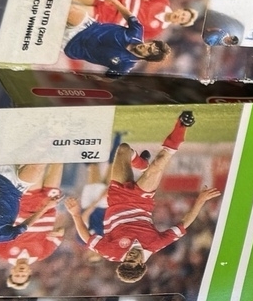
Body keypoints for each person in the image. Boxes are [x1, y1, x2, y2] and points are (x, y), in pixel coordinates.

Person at [62, 111, 220, 283]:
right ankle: (182, 124)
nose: (129, 256)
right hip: (141, 200)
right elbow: (183, 224)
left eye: (126, 260)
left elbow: (85, 237)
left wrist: (75, 214)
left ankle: (140, 163)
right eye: (133, 260)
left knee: (123, 149)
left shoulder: (110, 252)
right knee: (159, 162)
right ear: (142, 264)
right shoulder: (155, 244)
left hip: (116, 198)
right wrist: (200, 200)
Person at [0, 163, 66, 287]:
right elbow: (61, 232)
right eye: (23, 276)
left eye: (17, 275)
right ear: (30, 272)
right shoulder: (43, 254)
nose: (21, 273)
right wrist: (58, 232)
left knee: (38, 165)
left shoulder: (4, 252)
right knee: (58, 162)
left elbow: (0, 227)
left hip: (25, 204)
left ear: (12, 271)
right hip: (48, 205)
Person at [61, 0, 169, 75]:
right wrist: (115, 1)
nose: (146, 46)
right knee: (70, 11)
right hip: (87, 26)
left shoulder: (125, 66)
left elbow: (108, 79)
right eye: (149, 44)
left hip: (72, 45)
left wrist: (91, 77)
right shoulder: (136, 31)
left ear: (147, 58)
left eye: (148, 50)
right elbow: (128, 15)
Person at [67, 0, 195, 40]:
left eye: (182, 19)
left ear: (179, 23)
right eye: (183, 14)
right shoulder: (163, 1)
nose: (180, 16)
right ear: (180, 9)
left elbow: (131, 35)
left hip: (107, 16)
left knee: (69, 10)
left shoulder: (156, 31)